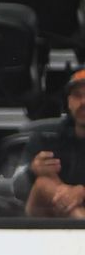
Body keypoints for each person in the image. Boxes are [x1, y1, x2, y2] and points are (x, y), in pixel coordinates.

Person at [13, 68, 85, 219]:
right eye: (77, 96)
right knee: (43, 184)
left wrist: (81, 192)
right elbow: (15, 187)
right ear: (69, 102)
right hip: (46, 223)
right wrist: (31, 170)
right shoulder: (46, 139)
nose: (83, 102)